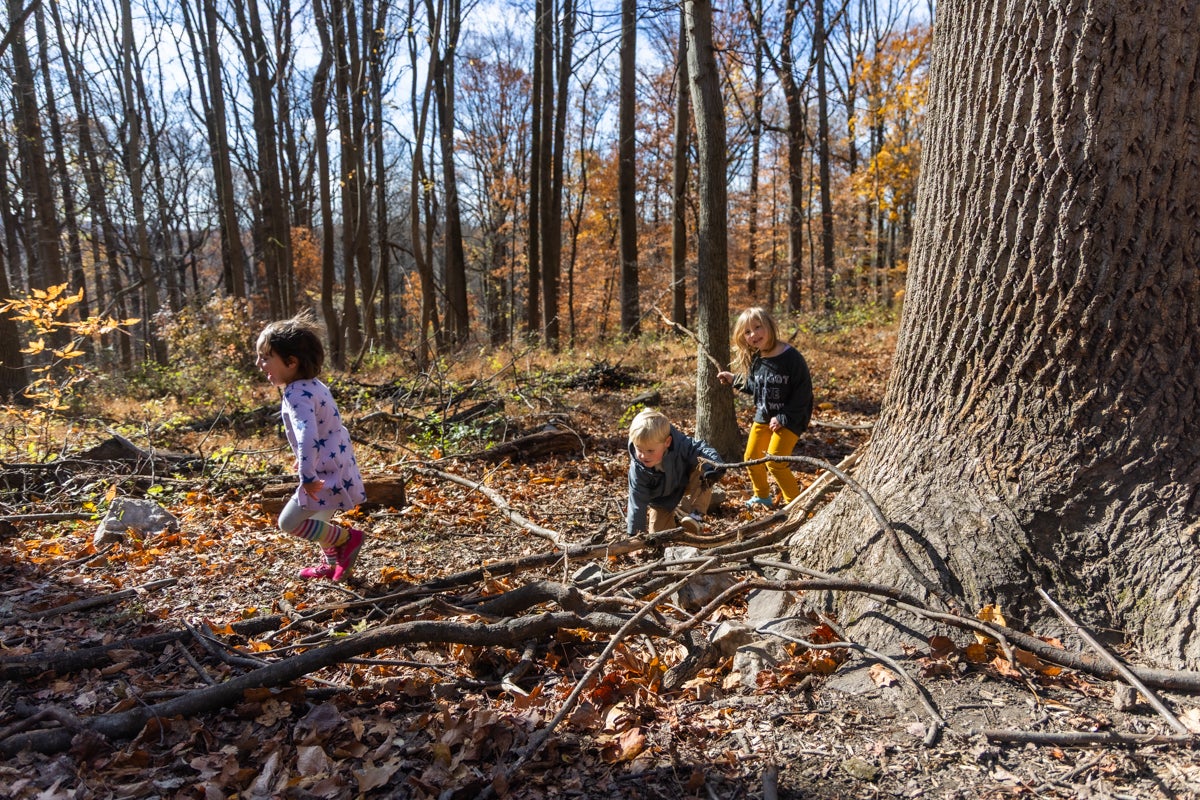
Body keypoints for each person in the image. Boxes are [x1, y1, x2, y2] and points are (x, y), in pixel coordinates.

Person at [257, 313, 367, 582]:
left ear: (291, 362)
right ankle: (331, 563)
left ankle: (347, 539)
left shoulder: (295, 394)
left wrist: (306, 474)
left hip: (320, 474)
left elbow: (307, 433)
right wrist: (306, 459)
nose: (259, 364)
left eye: (265, 357)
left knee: (289, 523)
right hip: (336, 463)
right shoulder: (315, 386)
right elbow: (325, 427)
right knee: (320, 521)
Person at [717, 307, 813, 509]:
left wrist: (783, 417)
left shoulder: (791, 358)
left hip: (790, 419)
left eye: (758, 327)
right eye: (747, 332)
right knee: (751, 458)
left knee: (775, 462)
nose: (754, 334)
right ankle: (762, 496)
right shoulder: (758, 359)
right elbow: (755, 386)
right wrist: (734, 379)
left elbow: (803, 394)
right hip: (763, 417)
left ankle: (796, 506)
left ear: (769, 325)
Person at [627, 408, 725, 536]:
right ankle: (678, 521)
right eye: (639, 449)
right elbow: (637, 502)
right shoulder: (639, 469)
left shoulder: (680, 445)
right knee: (659, 536)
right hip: (662, 498)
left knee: (704, 465)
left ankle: (696, 516)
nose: (643, 456)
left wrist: (715, 466)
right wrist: (635, 534)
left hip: (684, 480)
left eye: (650, 451)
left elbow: (700, 448)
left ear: (667, 442)